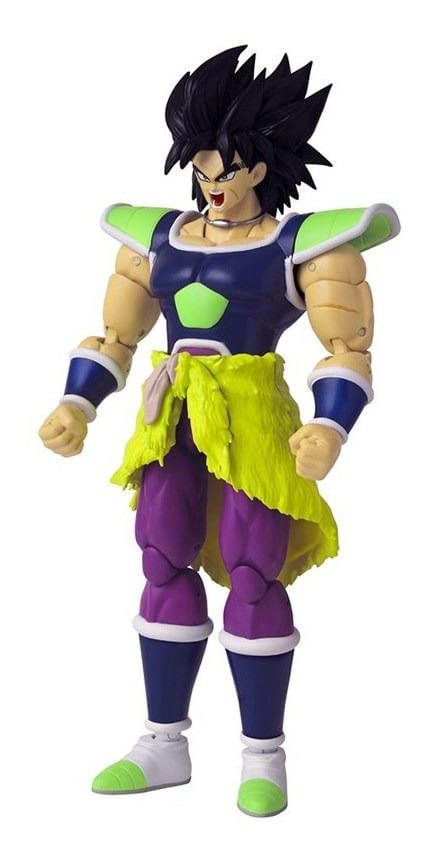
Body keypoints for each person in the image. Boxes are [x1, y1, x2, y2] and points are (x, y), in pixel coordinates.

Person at [39, 46, 400, 817]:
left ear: (262, 167)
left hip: (253, 420)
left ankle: (262, 756)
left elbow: (347, 350)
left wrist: (329, 427)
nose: (211, 184)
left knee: (253, 572)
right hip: (170, 417)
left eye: (226, 170)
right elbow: (116, 339)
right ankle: (162, 742)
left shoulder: (305, 246)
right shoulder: (156, 238)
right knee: (161, 560)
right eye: (200, 167)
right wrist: (76, 404)